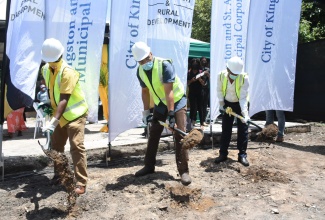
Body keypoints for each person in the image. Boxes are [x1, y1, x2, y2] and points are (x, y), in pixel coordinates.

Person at [131, 41, 191, 185]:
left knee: (179, 135)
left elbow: (169, 91)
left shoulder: (164, 65)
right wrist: (146, 111)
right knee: (154, 132)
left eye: (146, 59)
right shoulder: (140, 71)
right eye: (141, 61)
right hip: (160, 104)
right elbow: (145, 92)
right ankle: (149, 165)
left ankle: (184, 171)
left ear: (150, 54)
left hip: (176, 101)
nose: (144, 63)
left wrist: (171, 114)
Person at [40, 38, 89, 195]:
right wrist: (47, 102)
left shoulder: (68, 72)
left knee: (76, 146)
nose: (51, 62)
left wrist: (53, 121)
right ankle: (59, 175)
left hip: (75, 114)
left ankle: (81, 182)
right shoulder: (46, 69)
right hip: (59, 115)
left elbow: (64, 99)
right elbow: (50, 87)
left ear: (60, 56)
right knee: (57, 146)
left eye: (53, 60)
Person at [214, 56, 250, 166]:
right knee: (226, 129)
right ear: (228, 69)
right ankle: (223, 153)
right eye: (233, 73)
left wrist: (245, 113)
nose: (234, 76)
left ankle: (242, 155)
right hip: (227, 104)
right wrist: (222, 105)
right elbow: (219, 90)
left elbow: (243, 97)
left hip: (240, 104)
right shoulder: (220, 76)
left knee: (243, 130)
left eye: (236, 74)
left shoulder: (244, 78)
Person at [187, 58, 206, 129]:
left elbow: (204, 84)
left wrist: (199, 79)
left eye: (196, 64)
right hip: (192, 92)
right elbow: (187, 83)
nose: (195, 66)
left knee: (200, 107)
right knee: (192, 107)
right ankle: (191, 121)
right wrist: (191, 80)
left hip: (200, 92)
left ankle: (202, 122)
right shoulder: (189, 72)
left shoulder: (201, 72)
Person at [200, 56, 210, 124]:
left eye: (205, 60)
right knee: (199, 105)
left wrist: (207, 74)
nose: (204, 62)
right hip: (199, 89)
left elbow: (210, 77)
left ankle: (203, 120)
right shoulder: (198, 69)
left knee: (205, 105)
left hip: (206, 89)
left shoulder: (208, 69)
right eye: (203, 60)